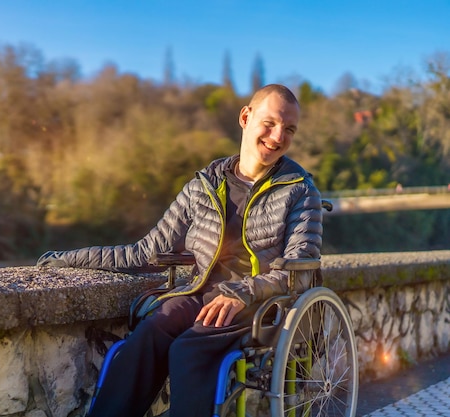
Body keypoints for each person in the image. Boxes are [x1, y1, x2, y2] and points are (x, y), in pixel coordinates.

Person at [36, 84, 323, 417]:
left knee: (188, 349)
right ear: (246, 117)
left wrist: (243, 292)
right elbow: (146, 251)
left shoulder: (301, 190)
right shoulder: (204, 185)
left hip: (261, 306)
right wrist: (67, 259)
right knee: (153, 328)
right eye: (270, 123)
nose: (278, 136)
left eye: (289, 129)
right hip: (202, 294)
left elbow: (298, 272)